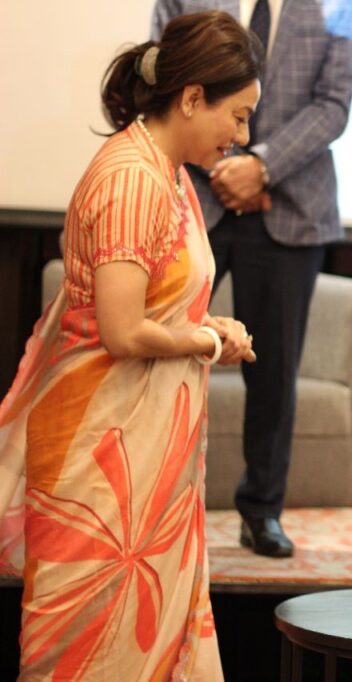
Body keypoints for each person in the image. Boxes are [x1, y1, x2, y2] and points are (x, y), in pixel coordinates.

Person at [0, 11, 260, 678]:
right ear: (192, 97)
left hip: (145, 452)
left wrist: (210, 327)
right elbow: (121, 331)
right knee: (88, 653)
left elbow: (156, 304)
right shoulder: (131, 178)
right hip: (102, 456)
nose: (242, 135)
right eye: (237, 116)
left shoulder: (166, 171)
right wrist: (206, 341)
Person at [152, 0, 352, 558]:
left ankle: (262, 509)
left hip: (291, 206)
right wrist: (223, 171)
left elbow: (334, 102)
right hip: (195, 197)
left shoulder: (336, 5)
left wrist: (261, 166)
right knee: (162, 350)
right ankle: (152, 500)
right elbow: (163, 81)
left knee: (273, 371)